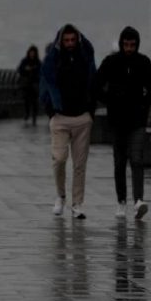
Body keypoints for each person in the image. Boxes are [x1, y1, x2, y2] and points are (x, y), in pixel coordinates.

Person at [94, 26, 151, 220]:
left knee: (137, 159)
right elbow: (95, 84)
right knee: (120, 162)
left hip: (137, 120)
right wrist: (109, 100)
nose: (129, 48)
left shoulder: (144, 62)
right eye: (126, 44)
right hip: (117, 120)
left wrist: (143, 106)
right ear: (121, 44)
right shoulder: (111, 62)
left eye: (132, 44)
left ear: (137, 44)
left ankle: (138, 200)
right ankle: (121, 201)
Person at [39, 24, 97, 219]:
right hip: (60, 117)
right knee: (59, 159)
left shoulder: (86, 57)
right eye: (67, 40)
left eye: (73, 40)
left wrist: (90, 112)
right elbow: (44, 84)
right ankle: (60, 196)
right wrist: (50, 110)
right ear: (60, 41)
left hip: (82, 117)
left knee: (80, 164)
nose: (70, 44)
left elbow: (94, 82)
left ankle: (77, 204)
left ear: (78, 40)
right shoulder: (53, 60)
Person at [16, 45, 42, 126]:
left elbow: (41, 72)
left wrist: (34, 70)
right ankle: (27, 113)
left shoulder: (38, 62)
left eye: (33, 53)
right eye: (31, 53)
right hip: (26, 84)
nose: (32, 54)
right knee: (26, 100)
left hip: (34, 83)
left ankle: (34, 116)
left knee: (34, 101)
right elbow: (19, 69)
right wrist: (25, 69)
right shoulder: (24, 61)